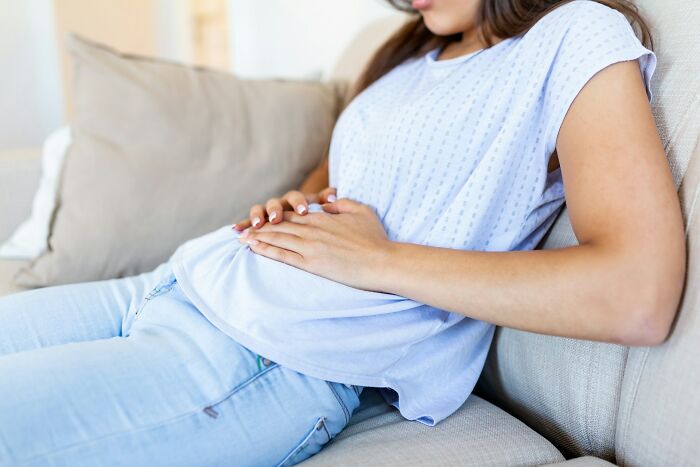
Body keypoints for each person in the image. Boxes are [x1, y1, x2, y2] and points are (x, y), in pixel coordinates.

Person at [0, 0, 686, 465]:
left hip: (260, 360)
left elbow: (636, 293)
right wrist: (293, 204)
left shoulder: (578, 34)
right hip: (172, 283)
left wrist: (381, 259)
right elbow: (334, 183)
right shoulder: (415, 49)